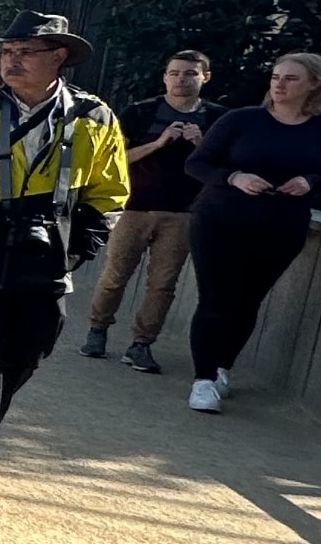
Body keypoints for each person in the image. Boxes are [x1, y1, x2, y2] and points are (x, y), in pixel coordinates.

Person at [0, 11, 130, 503]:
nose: (10, 60)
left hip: (49, 251)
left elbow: (109, 191)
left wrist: (78, 250)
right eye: (7, 52)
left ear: (58, 58)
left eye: (24, 52)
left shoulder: (94, 117)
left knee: (33, 348)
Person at [180, 53, 321, 413]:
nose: (279, 84)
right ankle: (203, 379)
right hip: (220, 220)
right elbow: (196, 163)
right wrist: (234, 177)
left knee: (248, 301)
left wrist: (311, 181)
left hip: (281, 225)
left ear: (314, 84)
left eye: (290, 78)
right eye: (275, 76)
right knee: (215, 300)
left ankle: (223, 366)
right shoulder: (240, 120)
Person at [78, 50, 226, 373]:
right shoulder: (141, 112)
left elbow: (225, 169)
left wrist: (200, 143)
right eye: (174, 73)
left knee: (163, 284)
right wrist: (159, 143)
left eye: (189, 74)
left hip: (183, 212)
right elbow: (114, 159)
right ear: (164, 77)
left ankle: (142, 344)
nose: (181, 80)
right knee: (115, 275)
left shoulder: (217, 119)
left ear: (205, 77)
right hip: (134, 206)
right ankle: (97, 331)